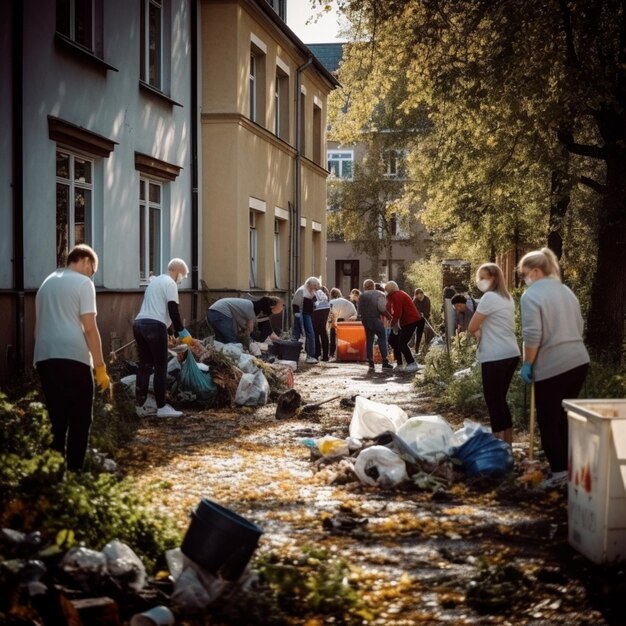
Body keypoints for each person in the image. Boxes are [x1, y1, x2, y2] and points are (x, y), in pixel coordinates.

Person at [34, 244, 110, 471]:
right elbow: (89, 328)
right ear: (86, 261)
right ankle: (75, 473)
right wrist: (100, 367)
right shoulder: (83, 283)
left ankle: (55, 476)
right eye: (92, 270)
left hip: (45, 357)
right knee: (80, 419)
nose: (92, 275)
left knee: (56, 419)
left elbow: (37, 329)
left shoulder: (46, 283)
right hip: (74, 358)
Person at [518, 247, 589, 488]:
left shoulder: (532, 295)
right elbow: (579, 325)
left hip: (553, 364)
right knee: (564, 419)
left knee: (548, 421)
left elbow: (533, 334)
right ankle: (571, 470)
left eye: (524, 274)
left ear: (536, 271)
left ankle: (559, 474)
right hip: (578, 360)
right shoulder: (566, 290)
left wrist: (528, 363)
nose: (524, 279)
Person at [467, 263, 520, 445]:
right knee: (500, 400)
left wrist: (478, 332)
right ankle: (508, 444)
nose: (479, 282)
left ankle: (499, 446)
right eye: (478, 278)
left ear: (494, 278)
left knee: (494, 402)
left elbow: (472, 326)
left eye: (483, 278)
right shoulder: (507, 298)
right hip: (511, 353)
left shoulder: (489, 298)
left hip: (495, 355)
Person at [134, 258, 193, 418]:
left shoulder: (155, 282)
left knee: (144, 366)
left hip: (139, 324)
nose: (181, 280)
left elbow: (159, 309)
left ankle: (140, 405)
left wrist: (172, 333)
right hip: (155, 326)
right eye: (183, 276)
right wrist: (181, 331)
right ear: (177, 271)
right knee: (161, 367)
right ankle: (161, 407)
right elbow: (173, 310)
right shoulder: (170, 283)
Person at [208, 296, 283, 344]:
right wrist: (250, 342)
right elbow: (249, 329)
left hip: (212, 311)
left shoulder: (251, 307)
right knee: (232, 341)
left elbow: (268, 329)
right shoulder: (252, 309)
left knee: (221, 342)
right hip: (220, 312)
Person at [385, 281, 420, 372]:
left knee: (402, 343)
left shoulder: (398, 296)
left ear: (389, 290)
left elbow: (397, 312)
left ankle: (412, 363)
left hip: (410, 321)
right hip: (404, 322)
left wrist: (392, 324)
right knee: (393, 340)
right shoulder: (394, 296)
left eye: (386, 290)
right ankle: (399, 363)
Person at [358, 279, 393, 371]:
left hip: (366, 321)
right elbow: (382, 308)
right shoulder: (380, 294)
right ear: (373, 285)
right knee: (382, 338)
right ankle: (385, 361)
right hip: (376, 320)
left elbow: (359, 312)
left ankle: (370, 362)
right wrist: (390, 317)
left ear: (364, 287)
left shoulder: (361, 296)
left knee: (369, 340)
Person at [292, 276, 321, 364]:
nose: (316, 289)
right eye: (315, 287)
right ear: (311, 285)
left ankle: (310, 356)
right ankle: (294, 355)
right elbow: (296, 304)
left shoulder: (312, 291)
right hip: (301, 314)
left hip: (308, 314)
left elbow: (315, 302)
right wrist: (298, 317)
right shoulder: (301, 291)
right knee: (298, 334)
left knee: (308, 334)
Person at [328, 287, 357, 358]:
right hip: (345, 320)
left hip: (335, 320)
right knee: (344, 336)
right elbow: (354, 313)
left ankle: (332, 352)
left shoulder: (331, 302)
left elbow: (330, 313)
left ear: (331, 295)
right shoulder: (346, 302)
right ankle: (343, 351)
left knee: (332, 335)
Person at [312, 286, 331, 361]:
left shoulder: (314, 292)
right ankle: (325, 355)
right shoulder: (324, 293)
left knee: (315, 331)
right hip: (326, 308)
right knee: (323, 331)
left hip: (317, 310)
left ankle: (317, 354)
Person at [412, 288, 432, 355]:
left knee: (428, 331)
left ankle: (426, 348)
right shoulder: (415, 301)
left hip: (425, 318)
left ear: (423, 294)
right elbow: (414, 309)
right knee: (418, 334)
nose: (420, 298)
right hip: (417, 319)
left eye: (421, 296)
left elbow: (428, 310)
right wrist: (419, 314)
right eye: (418, 296)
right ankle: (416, 350)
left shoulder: (427, 300)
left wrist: (424, 314)